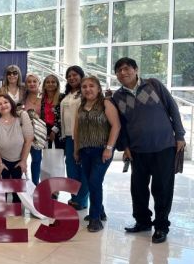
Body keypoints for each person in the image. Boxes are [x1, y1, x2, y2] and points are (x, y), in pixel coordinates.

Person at [112, 57, 186, 243]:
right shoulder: (117, 97)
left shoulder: (154, 85)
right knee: (138, 189)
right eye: (119, 70)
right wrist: (125, 147)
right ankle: (143, 221)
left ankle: (161, 226)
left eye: (127, 68)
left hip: (164, 146)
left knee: (162, 188)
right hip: (138, 150)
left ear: (136, 69)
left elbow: (172, 108)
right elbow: (120, 124)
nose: (123, 73)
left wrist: (180, 135)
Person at [73, 76, 120, 232]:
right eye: (84, 86)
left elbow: (116, 126)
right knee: (92, 181)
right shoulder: (80, 107)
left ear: (98, 88)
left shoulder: (106, 104)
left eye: (91, 86)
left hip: (102, 151)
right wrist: (76, 149)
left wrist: (109, 148)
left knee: (94, 181)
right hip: (85, 151)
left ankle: (95, 219)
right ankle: (100, 210)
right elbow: (76, 130)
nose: (88, 89)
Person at [0, 94, 33, 202]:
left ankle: (17, 213)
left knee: (18, 195)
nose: (3, 105)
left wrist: (23, 161)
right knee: (2, 195)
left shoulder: (22, 115)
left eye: (5, 102)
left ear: (11, 103)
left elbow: (28, 139)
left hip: (19, 159)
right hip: (1, 159)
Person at [61, 65, 87, 211]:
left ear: (81, 75)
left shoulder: (85, 92)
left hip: (83, 136)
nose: (72, 78)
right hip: (69, 136)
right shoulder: (67, 94)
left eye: (75, 75)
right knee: (71, 168)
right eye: (69, 76)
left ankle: (82, 200)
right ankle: (75, 197)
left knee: (84, 169)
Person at [23, 73, 43, 185]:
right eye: (29, 82)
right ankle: (23, 184)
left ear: (39, 83)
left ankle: (35, 185)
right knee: (22, 159)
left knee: (36, 160)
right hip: (23, 133)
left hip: (38, 134)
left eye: (34, 81)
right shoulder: (23, 97)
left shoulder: (44, 97)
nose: (32, 84)